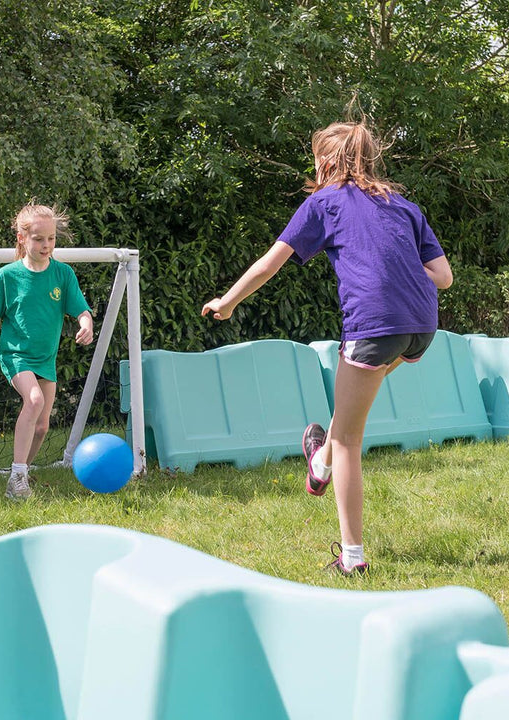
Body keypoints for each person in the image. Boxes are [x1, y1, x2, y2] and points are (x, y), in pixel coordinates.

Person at [202, 121, 452, 574]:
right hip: (421, 325)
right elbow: (444, 277)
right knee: (350, 409)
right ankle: (318, 461)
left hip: (374, 327)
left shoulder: (324, 202)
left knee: (348, 439)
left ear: (328, 162)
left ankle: (352, 560)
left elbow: (268, 265)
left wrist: (227, 301)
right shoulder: (405, 207)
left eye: (316, 157)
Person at [0, 202, 93, 500]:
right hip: (15, 355)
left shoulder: (63, 274)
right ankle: (18, 476)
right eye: (39, 239)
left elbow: (81, 309)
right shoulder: (8, 276)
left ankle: (19, 479)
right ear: (22, 238)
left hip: (46, 360)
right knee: (34, 400)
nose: (46, 245)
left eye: (51, 239)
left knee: (42, 427)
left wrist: (87, 323)